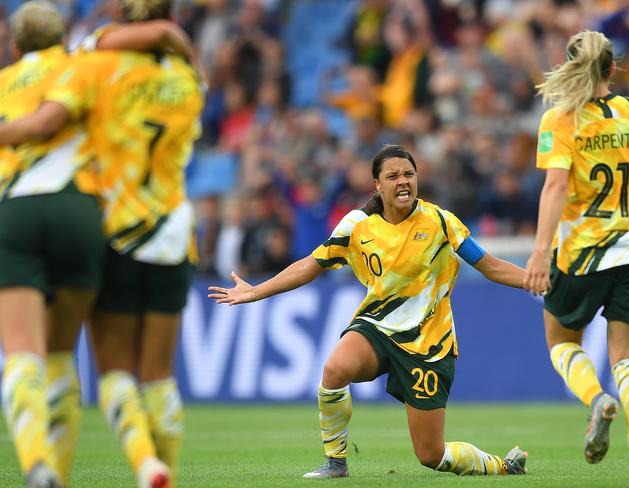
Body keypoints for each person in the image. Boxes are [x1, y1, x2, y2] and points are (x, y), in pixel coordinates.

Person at [209, 144, 529, 479]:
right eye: (392, 176)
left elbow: (490, 266)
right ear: (377, 185)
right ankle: (336, 463)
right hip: (377, 328)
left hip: (428, 344)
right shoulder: (357, 225)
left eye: (408, 174)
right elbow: (310, 265)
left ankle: (504, 467)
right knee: (335, 370)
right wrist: (257, 290)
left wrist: (538, 281)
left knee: (432, 455)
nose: (402, 181)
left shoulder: (440, 222)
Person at [0, 2, 204, 486]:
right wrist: (170, 37)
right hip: (170, 233)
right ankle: (158, 469)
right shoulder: (192, 80)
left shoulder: (89, 66)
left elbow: (47, 121)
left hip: (104, 225)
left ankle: (44, 467)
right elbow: (169, 40)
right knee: (158, 375)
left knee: (57, 357)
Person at [524, 30, 629, 483]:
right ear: (613, 68)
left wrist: (540, 253)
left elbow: (555, 186)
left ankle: (597, 400)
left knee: (561, 344)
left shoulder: (561, 120)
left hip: (580, 255)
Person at [0, 3, 104, 487]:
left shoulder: (2, 83)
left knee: (21, 350)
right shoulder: (79, 67)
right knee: (63, 353)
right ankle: (57, 470)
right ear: (61, 38)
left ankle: (38, 465)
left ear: (14, 46)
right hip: (77, 208)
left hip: (16, 210)